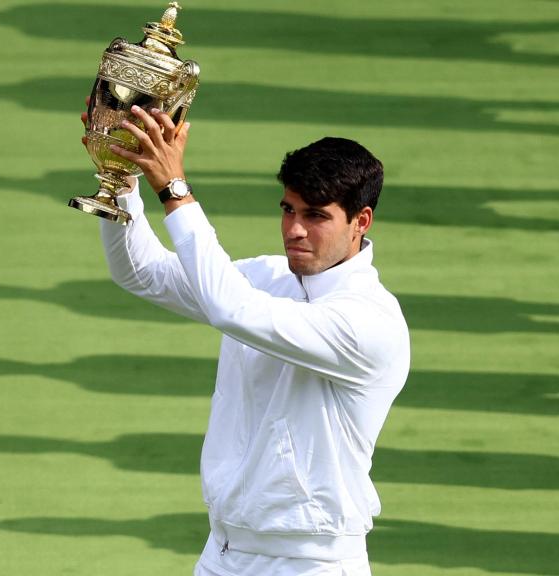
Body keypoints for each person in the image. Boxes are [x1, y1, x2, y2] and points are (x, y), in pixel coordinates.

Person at [88, 104, 410, 576]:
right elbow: (139, 273)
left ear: (361, 221)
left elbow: (232, 309)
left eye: (316, 215)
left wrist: (174, 190)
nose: (295, 230)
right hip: (223, 553)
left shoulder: (369, 322)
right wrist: (123, 176)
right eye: (288, 210)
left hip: (311, 565)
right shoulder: (265, 276)